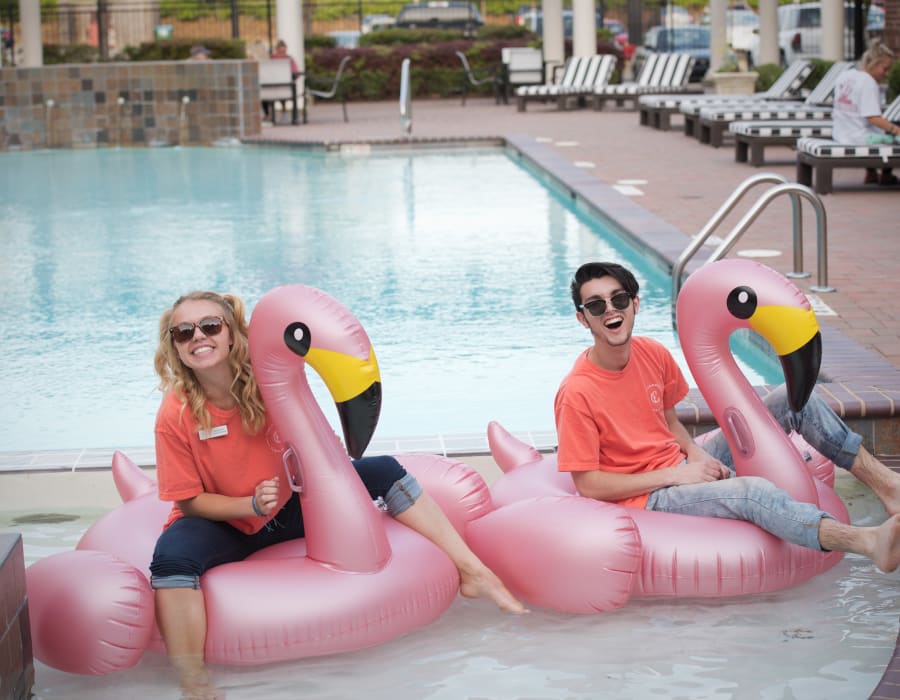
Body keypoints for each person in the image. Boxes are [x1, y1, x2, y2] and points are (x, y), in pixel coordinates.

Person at [150, 291, 524, 700]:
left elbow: (321, 448)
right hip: (225, 521)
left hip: (288, 506)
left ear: (232, 333)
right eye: (183, 332)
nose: (197, 337)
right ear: (174, 345)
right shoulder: (176, 411)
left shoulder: (268, 380)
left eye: (210, 326)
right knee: (171, 558)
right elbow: (188, 501)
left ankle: (474, 571)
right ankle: (193, 681)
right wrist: (249, 505)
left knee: (381, 470)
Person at [555, 261, 900, 578]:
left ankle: (887, 485)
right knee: (753, 492)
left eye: (618, 299)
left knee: (791, 401)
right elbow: (589, 485)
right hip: (649, 495)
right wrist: (677, 474)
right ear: (583, 318)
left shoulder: (652, 353)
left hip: (680, 464)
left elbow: (668, 422)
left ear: (635, 304)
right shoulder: (577, 393)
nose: (611, 310)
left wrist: (694, 452)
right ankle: (868, 542)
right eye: (596, 305)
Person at [832, 39, 899, 186]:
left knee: (877, 132)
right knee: (889, 137)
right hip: (858, 138)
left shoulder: (845, 75)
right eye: (885, 68)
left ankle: (871, 173)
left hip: (840, 133)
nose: (886, 74)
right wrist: (896, 131)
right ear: (873, 64)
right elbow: (873, 118)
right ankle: (886, 176)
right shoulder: (868, 82)